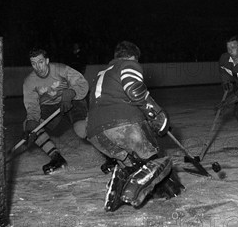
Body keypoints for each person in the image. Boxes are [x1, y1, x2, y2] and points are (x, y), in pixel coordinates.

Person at [86, 40, 184, 212]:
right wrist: (157, 115)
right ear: (132, 57)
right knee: (159, 162)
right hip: (123, 125)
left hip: (96, 134)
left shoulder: (101, 74)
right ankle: (167, 189)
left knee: (132, 164)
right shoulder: (129, 64)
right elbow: (134, 90)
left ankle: (119, 184)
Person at [22, 47, 89, 174]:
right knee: (29, 125)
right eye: (33, 63)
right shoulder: (29, 82)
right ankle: (56, 158)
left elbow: (82, 83)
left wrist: (70, 93)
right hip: (50, 106)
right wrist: (32, 124)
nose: (38, 67)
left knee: (81, 129)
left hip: (72, 99)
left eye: (40, 62)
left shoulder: (60, 69)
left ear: (47, 61)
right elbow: (32, 106)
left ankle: (110, 155)